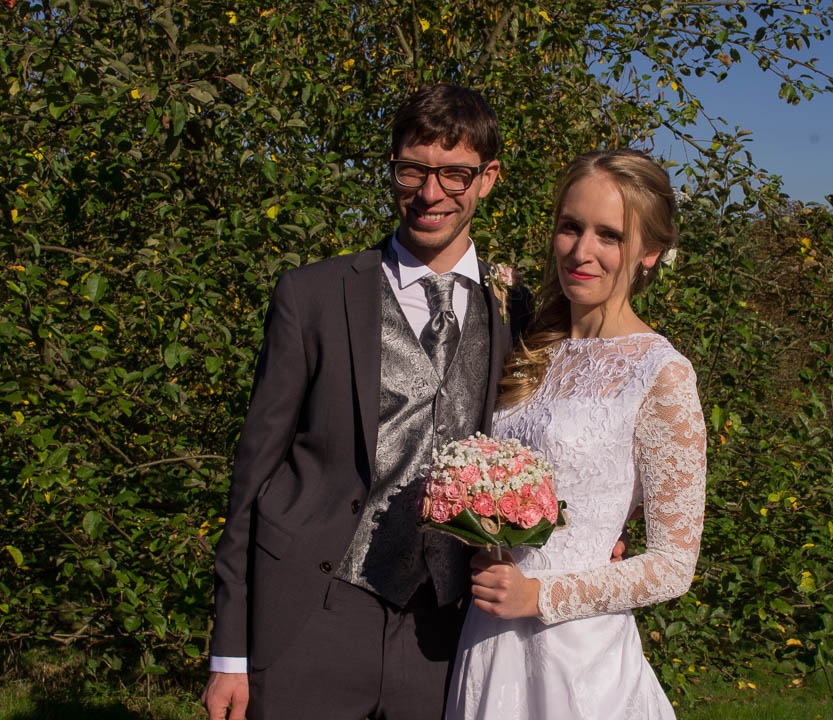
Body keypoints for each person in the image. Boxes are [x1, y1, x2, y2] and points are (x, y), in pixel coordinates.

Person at [201, 84, 515, 720]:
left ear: (487, 180)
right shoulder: (312, 295)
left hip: (448, 626)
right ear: (392, 169)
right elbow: (252, 473)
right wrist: (228, 652)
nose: (430, 195)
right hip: (315, 607)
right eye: (412, 170)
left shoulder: (517, 312)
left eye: (454, 175)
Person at [445, 150, 707, 720]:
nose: (581, 251)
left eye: (609, 235)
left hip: (579, 662)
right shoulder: (528, 343)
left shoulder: (660, 373)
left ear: (650, 253)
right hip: (488, 636)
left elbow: (672, 565)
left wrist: (539, 596)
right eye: (571, 227)